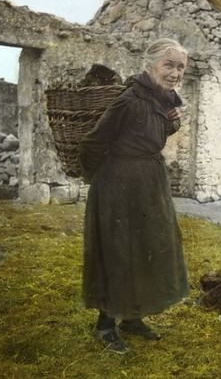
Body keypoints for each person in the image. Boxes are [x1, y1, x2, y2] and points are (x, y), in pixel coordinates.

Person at [79, 38, 190, 354]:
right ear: (150, 64)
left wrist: (171, 125)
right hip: (120, 185)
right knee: (119, 251)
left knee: (147, 247)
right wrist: (100, 180)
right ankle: (105, 325)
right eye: (169, 65)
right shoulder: (128, 100)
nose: (174, 73)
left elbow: (151, 133)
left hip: (150, 183)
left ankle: (132, 318)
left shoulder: (162, 99)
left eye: (180, 67)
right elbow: (93, 142)